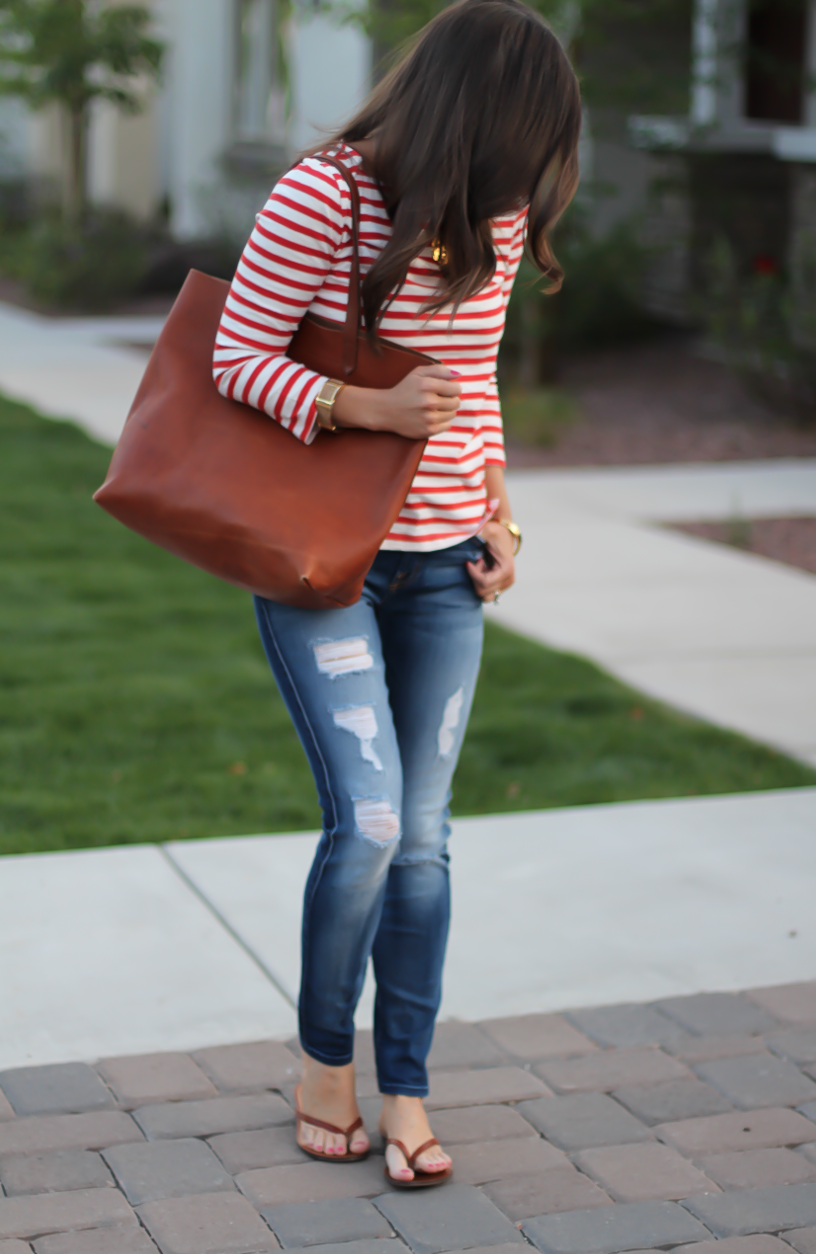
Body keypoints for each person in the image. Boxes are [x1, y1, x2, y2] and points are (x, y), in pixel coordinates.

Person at [213, 0, 581, 1187]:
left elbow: (471, 386)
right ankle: (326, 1063)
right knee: (370, 822)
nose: (533, 172)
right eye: (529, 140)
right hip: (326, 559)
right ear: (480, 116)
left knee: (422, 844)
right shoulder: (325, 193)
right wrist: (368, 408)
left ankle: (407, 1083)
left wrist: (499, 515)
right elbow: (233, 358)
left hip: (440, 575)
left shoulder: (498, 216)